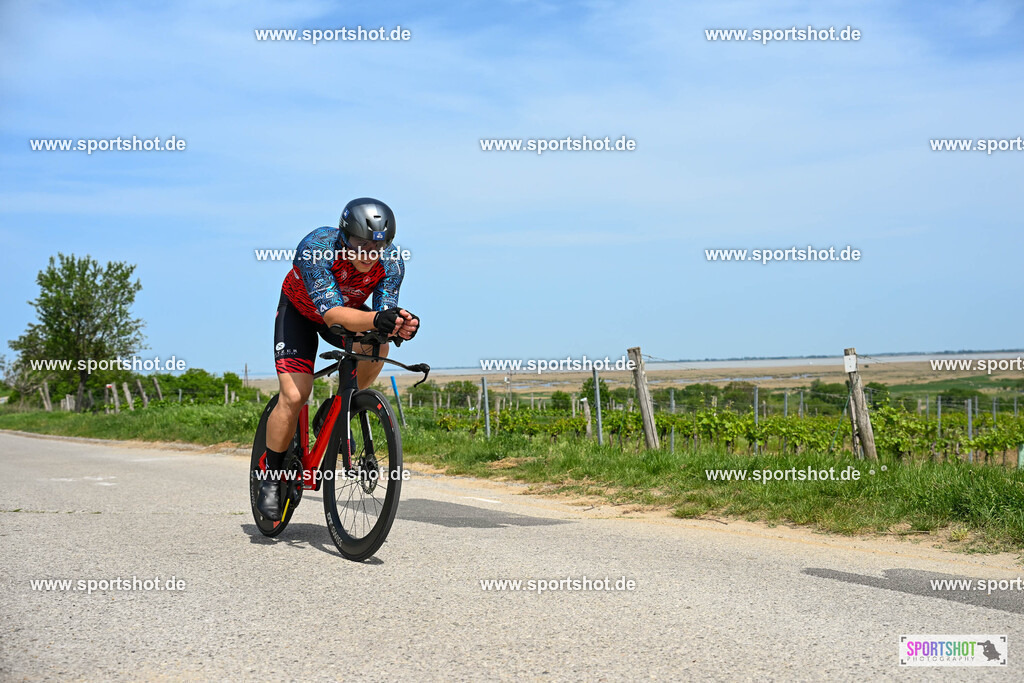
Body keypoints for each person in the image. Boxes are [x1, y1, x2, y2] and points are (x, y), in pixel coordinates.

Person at [258, 197, 419, 520]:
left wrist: (400, 324)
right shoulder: (317, 248)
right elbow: (331, 312)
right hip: (302, 314)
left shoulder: (391, 262)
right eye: (360, 245)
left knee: (378, 347)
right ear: (344, 236)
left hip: (348, 315)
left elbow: (382, 313)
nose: (368, 254)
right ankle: (271, 476)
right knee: (294, 395)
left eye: (377, 247)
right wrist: (377, 320)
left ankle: (334, 410)